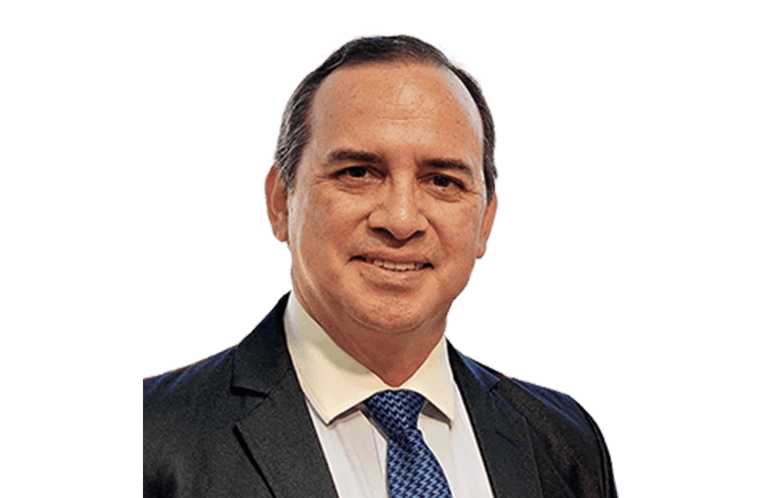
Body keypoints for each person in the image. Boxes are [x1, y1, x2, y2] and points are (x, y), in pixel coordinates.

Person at [143, 33, 618, 498]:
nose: (401, 220)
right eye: (358, 172)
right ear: (281, 202)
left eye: (442, 180)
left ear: (485, 221)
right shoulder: (146, 438)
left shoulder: (563, 441)